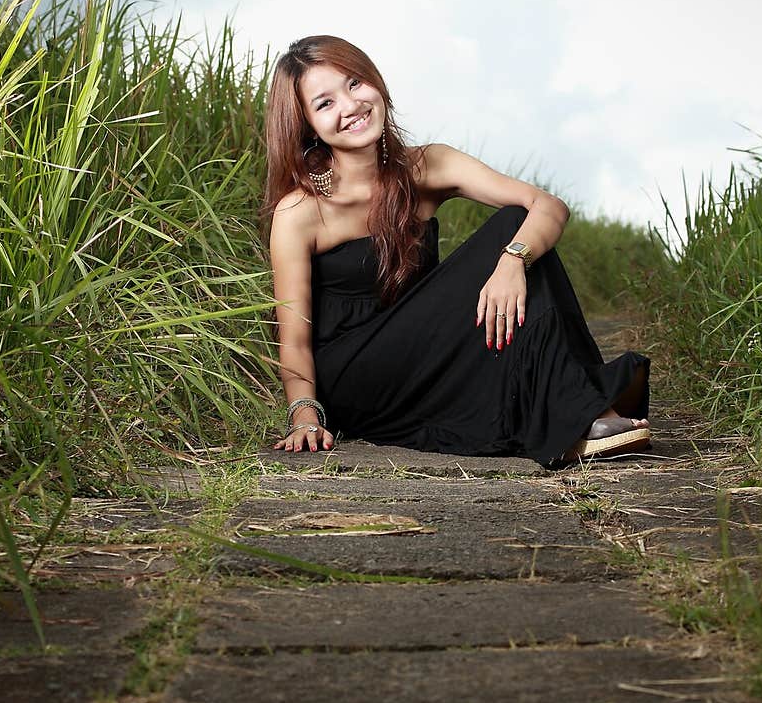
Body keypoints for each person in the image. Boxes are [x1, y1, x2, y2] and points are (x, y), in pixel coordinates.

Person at [262, 35, 651, 466]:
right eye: (325, 103)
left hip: (424, 354)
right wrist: (304, 413)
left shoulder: (429, 166)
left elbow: (548, 205)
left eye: (354, 84)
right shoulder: (300, 212)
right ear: (307, 126)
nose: (350, 106)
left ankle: (579, 408)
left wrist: (512, 260)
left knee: (516, 229)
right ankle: (584, 410)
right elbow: (294, 340)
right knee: (511, 227)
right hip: (356, 376)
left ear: (375, 82)